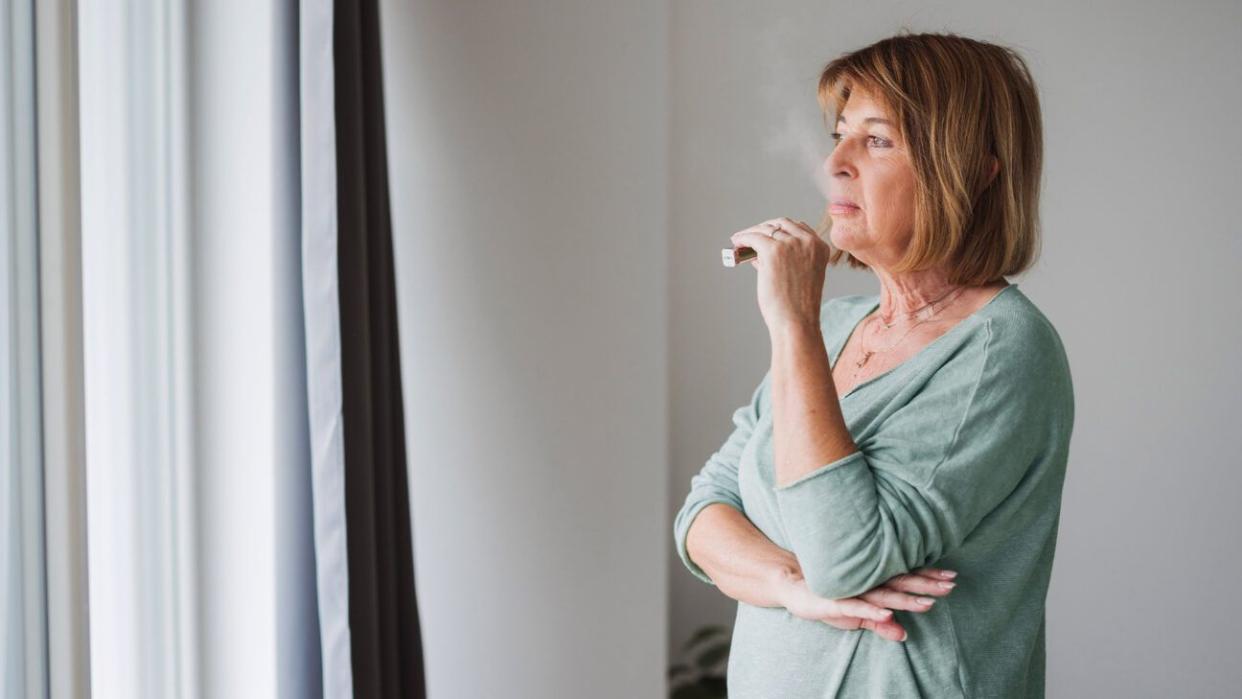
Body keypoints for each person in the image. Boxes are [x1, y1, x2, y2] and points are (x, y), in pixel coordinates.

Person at [673, 31, 1074, 698]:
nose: (834, 162)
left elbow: (846, 557)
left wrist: (791, 321)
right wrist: (788, 584)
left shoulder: (1002, 350)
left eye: (877, 140)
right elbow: (702, 515)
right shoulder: (835, 326)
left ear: (973, 170)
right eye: (839, 134)